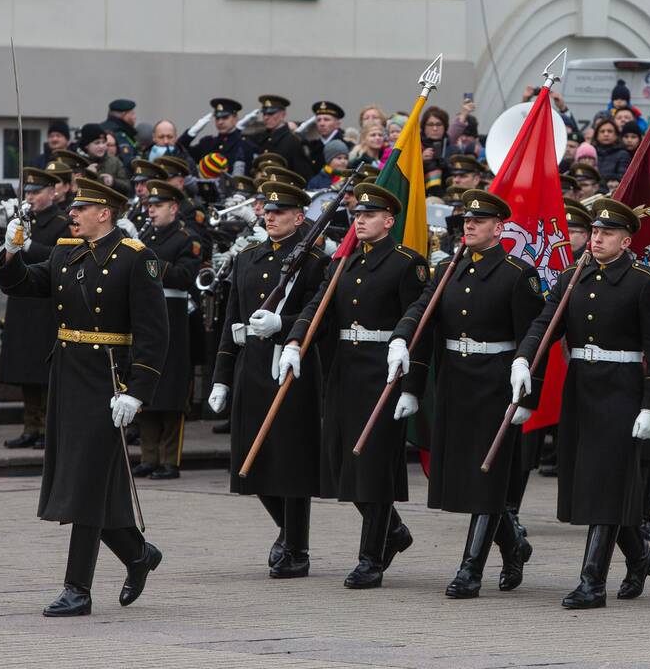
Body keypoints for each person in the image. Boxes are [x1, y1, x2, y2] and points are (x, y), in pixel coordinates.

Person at [0, 176, 168, 616]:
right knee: (85, 480)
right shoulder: (65, 252)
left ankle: (78, 589)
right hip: (69, 377)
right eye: (72, 208)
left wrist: (136, 392)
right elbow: (22, 285)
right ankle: (137, 554)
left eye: (81, 208)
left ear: (105, 212)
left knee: (86, 482)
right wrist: (12, 251)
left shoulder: (136, 258)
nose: (72, 213)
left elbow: (153, 334)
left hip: (110, 381)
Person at [514, 198, 650, 609]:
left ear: (625, 240)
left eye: (606, 233)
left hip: (622, 391)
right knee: (592, 481)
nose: (596, 238)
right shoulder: (573, 275)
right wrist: (524, 357)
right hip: (581, 388)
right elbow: (544, 324)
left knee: (607, 483)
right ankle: (639, 556)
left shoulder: (643, 281)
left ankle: (592, 582)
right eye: (594, 232)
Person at [388, 189, 540, 599]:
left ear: (499, 227)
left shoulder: (516, 273)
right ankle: (514, 546)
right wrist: (401, 338)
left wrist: (528, 397)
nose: (468, 226)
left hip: (496, 382)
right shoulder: (449, 269)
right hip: (456, 381)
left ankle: (471, 568)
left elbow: (534, 338)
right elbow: (423, 314)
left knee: (487, 477)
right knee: (466, 476)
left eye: (478, 221)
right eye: (465, 221)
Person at [278, 184, 427, 589]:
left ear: (389, 220)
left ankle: (371, 558)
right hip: (344, 371)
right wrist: (295, 338)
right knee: (344, 463)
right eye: (357, 214)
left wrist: (411, 384)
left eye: (370, 214)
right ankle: (393, 531)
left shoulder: (406, 264)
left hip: (384, 373)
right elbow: (319, 307)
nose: (360, 220)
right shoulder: (343, 263)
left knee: (374, 466)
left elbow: (420, 323)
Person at [208, 181, 327, 577]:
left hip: (291, 366)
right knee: (250, 459)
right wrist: (221, 377)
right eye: (267, 211)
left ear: (299, 217)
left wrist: (284, 325)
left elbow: (323, 317)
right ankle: (287, 532)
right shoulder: (248, 257)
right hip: (252, 367)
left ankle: (298, 547)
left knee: (291, 461)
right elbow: (231, 320)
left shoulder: (315, 261)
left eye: (280, 212)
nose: (270, 217)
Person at [130, 181, 201, 480]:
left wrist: (147, 259)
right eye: (150, 206)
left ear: (173, 208)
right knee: (147, 387)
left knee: (171, 393)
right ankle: (148, 456)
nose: (151, 211)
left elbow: (186, 276)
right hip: (145, 317)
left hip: (173, 317)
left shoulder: (186, 239)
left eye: (157, 206)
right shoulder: (146, 234)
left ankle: (170, 460)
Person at [0, 168, 73, 449]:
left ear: (52, 193)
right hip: (23, 299)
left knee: (44, 370)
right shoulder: (21, 219)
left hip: (46, 301)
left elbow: (63, 255)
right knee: (25, 367)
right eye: (27, 192)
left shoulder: (63, 222)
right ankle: (31, 425)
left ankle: (46, 428)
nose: (30, 197)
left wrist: (30, 245)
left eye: (36, 192)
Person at [179, 98, 260, 176]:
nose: (220, 122)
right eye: (217, 118)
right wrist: (190, 134)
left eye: (225, 117)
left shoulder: (245, 145)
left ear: (235, 118)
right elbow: (180, 152)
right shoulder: (207, 142)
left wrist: (237, 131)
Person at [255, 95, 312, 179]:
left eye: (271, 113)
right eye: (264, 113)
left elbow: (303, 174)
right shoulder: (261, 138)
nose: (266, 117)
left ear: (283, 115)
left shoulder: (292, 140)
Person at [75, 123, 130, 195]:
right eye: (97, 143)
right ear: (86, 145)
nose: (101, 146)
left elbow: (127, 187)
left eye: (104, 142)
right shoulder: (78, 163)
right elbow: (72, 189)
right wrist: (86, 175)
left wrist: (113, 182)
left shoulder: (114, 161)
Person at [101, 98, 139, 167]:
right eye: (132, 113)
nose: (135, 117)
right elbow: (126, 161)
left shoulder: (101, 128)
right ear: (124, 115)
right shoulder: (119, 134)